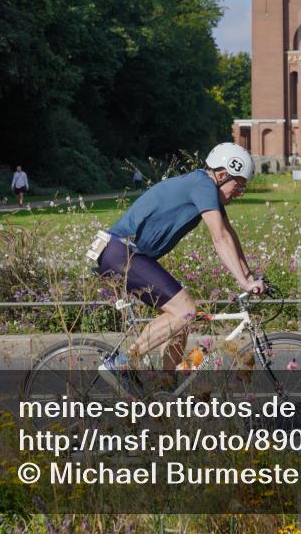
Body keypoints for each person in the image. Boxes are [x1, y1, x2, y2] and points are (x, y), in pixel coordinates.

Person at [93, 143, 265, 390]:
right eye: (238, 184)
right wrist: (244, 282)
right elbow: (219, 238)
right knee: (185, 311)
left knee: (182, 323)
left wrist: (250, 274)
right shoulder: (203, 185)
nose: (241, 191)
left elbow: (230, 234)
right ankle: (123, 363)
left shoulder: (204, 187)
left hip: (128, 253)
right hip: (121, 251)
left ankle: (164, 388)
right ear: (222, 174)